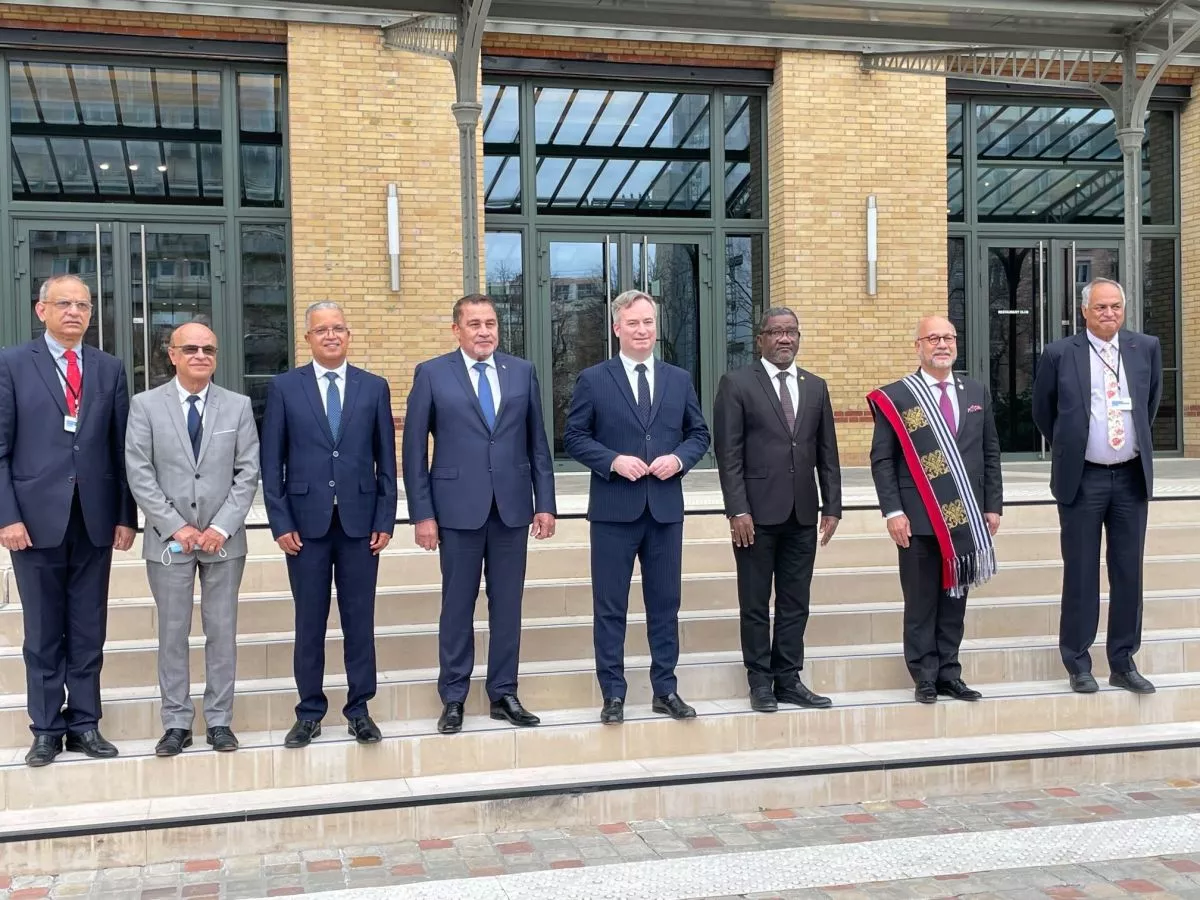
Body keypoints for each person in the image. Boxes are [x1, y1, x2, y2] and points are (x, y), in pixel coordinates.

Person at [403, 294, 556, 735]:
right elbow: (413, 451)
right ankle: (453, 696)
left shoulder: (521, 372)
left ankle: (503, 693)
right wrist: (422, 514)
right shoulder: (432, 374)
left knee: (507, 606)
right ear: (457, 330)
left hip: (512, 509)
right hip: (455, 510)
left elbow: (537, 443)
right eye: (474, 324)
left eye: (490, 323)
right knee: (457, 606)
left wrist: (545, 503)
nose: (484, 331)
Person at [0, 274, 136, 767]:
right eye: (64, 303)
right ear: (42, 310)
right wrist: (7, 517)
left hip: (94, 520)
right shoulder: (13, 364)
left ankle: (84, 724)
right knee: (42, 631)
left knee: (87, 628)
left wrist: (125, 515)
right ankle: (45, 728)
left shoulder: (109, 368)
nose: (74, 312)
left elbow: (121, 449)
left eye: (83, 305)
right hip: (34, 522)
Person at [564, 289, 710, 725]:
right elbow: (574, 437)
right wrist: (612, 460)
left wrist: (678, 459)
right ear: (617, 328)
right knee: (610, 607)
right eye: (633, 323)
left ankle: (665, 689)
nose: (642, 330)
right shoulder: (593, 380)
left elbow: (699, 434)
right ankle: (613, 693)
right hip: (614, 511)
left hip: (664, 511)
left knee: (665, 604)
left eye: (648, 322)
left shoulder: (678, 379)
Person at [260, 301, 398, 748]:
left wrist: (385, 518)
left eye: (338, 328)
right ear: (308, 338)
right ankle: (309, 712)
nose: (331, 335)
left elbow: (386, 460)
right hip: (304, 528)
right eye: (322, 330)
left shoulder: (373, 387)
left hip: (361, 526)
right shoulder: (284, 387)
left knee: (360, 620)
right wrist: (280, 521)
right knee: (309, 622)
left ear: (348, 334)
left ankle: (359, 709)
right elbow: (271, 462)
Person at [125, 322, 260, 756]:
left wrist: (221, 527)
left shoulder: (237, 406)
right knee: (172, 633)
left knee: (222, 632)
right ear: (172, 355)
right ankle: (176, 722)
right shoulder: (145, 405)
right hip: (169, 542)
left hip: (224, 542)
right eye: (191, 349)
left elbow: (248, 471)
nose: (201, 355)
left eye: (208, 350)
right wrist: (174, 526)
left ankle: (219, 720)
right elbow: (139, 472)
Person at [1032, 278, 1162, 695]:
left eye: (1115, 306)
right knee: (1081, 572)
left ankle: (1123, 662)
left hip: (1130, 478)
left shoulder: (1146, 348)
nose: (1109, 313)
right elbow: (1043, 412)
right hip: (1082, 478)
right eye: (1101, 307)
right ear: (1084, 311)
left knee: (1128, 573)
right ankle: (1077, 662)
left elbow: (1149, 403)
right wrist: (1073, 446)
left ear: (1124, 309)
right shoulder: (1059, 353)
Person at [713, 307, 842, 713]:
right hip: (755, 516)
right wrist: (737, 509)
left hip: (802, 513)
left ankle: (788, 678)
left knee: (795, 601)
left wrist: (832, 505)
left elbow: (827, 452)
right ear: (761, 339)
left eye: (791, 332)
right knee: (755, 603)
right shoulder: (737, 384)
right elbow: (728, 454)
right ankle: (759, 681)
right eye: (776, 332)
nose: (784, 338)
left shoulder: (815, 386)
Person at [868, 316, 1002, 705]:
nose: (942, 344)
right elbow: (883, 460)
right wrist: (892, 511)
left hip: (965, 515)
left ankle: (949, 673)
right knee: (921, 601)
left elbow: (990, 451)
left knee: (955, 599)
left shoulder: (975, 391)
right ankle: (924, 675)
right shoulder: (899, 397)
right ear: (918, 346)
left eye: (948, 338)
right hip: (917, 517)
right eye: (933, 338)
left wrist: (992, 505)